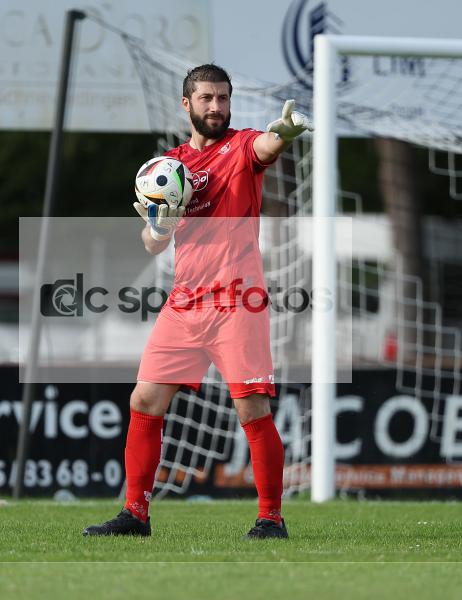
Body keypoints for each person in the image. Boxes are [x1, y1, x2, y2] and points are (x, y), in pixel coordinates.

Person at [83, 64, 312, 539]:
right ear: (186, 104)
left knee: (252, 409)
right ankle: (135, 515)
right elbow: (151, 242)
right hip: (185, 303)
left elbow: (265, 146)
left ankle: (271, 518)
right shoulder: (168, 168)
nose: (216, 107)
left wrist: (282, 136)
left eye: (223, 98)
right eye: (206, 99)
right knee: (144, 398)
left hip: (237, 302)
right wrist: (160, 227)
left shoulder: (243, 145)